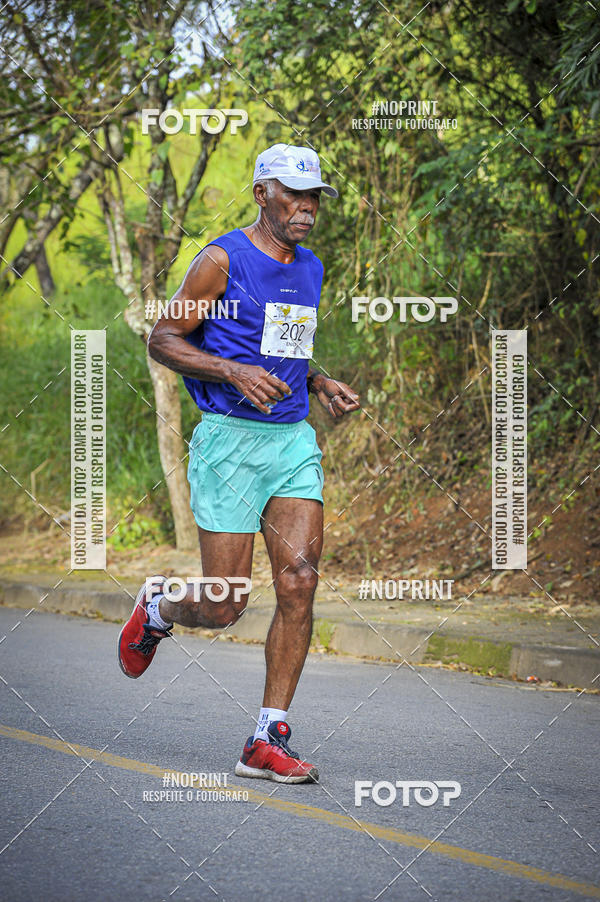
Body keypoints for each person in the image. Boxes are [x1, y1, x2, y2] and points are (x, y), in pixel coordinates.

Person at [117, 143, 360, 783]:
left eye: (313, 198)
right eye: (291, 195)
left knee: (299, 584)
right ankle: (160, 606)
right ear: (261, 194)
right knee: (225, 603)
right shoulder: (220, 261)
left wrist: (318, 381)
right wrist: (229, 369)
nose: (305, 209)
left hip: (290, 442)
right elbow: (163, 338)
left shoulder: (310, 269)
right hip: (228, 440)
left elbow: (282, 349)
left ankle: (266, 737)